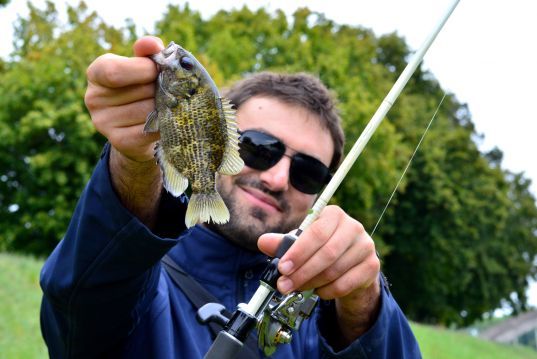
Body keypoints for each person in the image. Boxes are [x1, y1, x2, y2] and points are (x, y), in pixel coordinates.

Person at [40, 36, 420, 358]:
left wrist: (363, 302)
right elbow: (79, 306)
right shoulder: (141, 279)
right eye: (257, 148)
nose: (277, 178)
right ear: (218, 138)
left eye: (308, 172)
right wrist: (133, 160)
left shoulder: (325, 319)